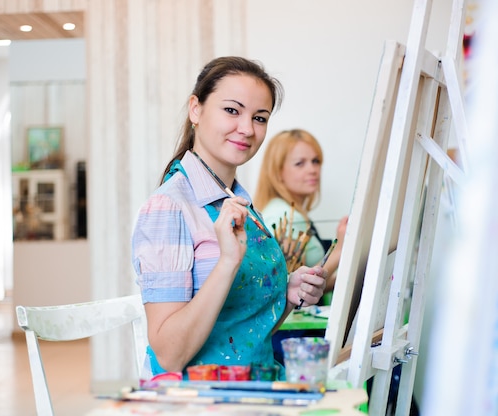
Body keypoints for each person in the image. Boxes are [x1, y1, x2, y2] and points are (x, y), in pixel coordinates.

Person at [131, 57, 328, 380]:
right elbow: (169, 355)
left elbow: (244, 329)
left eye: (260, 118)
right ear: (196, 109)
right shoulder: (168, 208)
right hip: (200, 401)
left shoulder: (242, 205)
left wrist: (288, 294)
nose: (247, 129)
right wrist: (227, 263)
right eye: (232, 111)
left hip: (255, 388)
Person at [253, 129, 348, 293]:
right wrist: (340, 249)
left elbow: (309, 284)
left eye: (316, 161)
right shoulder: (285, 216)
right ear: (278, 172)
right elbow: (289, 289)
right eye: (300, 163)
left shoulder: (283, 211)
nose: (312, 169)